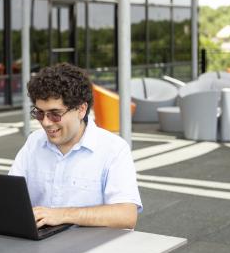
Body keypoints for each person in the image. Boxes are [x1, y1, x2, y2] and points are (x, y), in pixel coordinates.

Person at [9, 63, 142, 229]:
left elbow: (126, 215)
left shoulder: (113, 149)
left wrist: (62, 215)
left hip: (90, 250)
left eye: (55, 114)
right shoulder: (34, 142)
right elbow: (10, 195)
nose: (46, 122)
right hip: (38, 245)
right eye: (39, 113)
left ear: (81, 109)